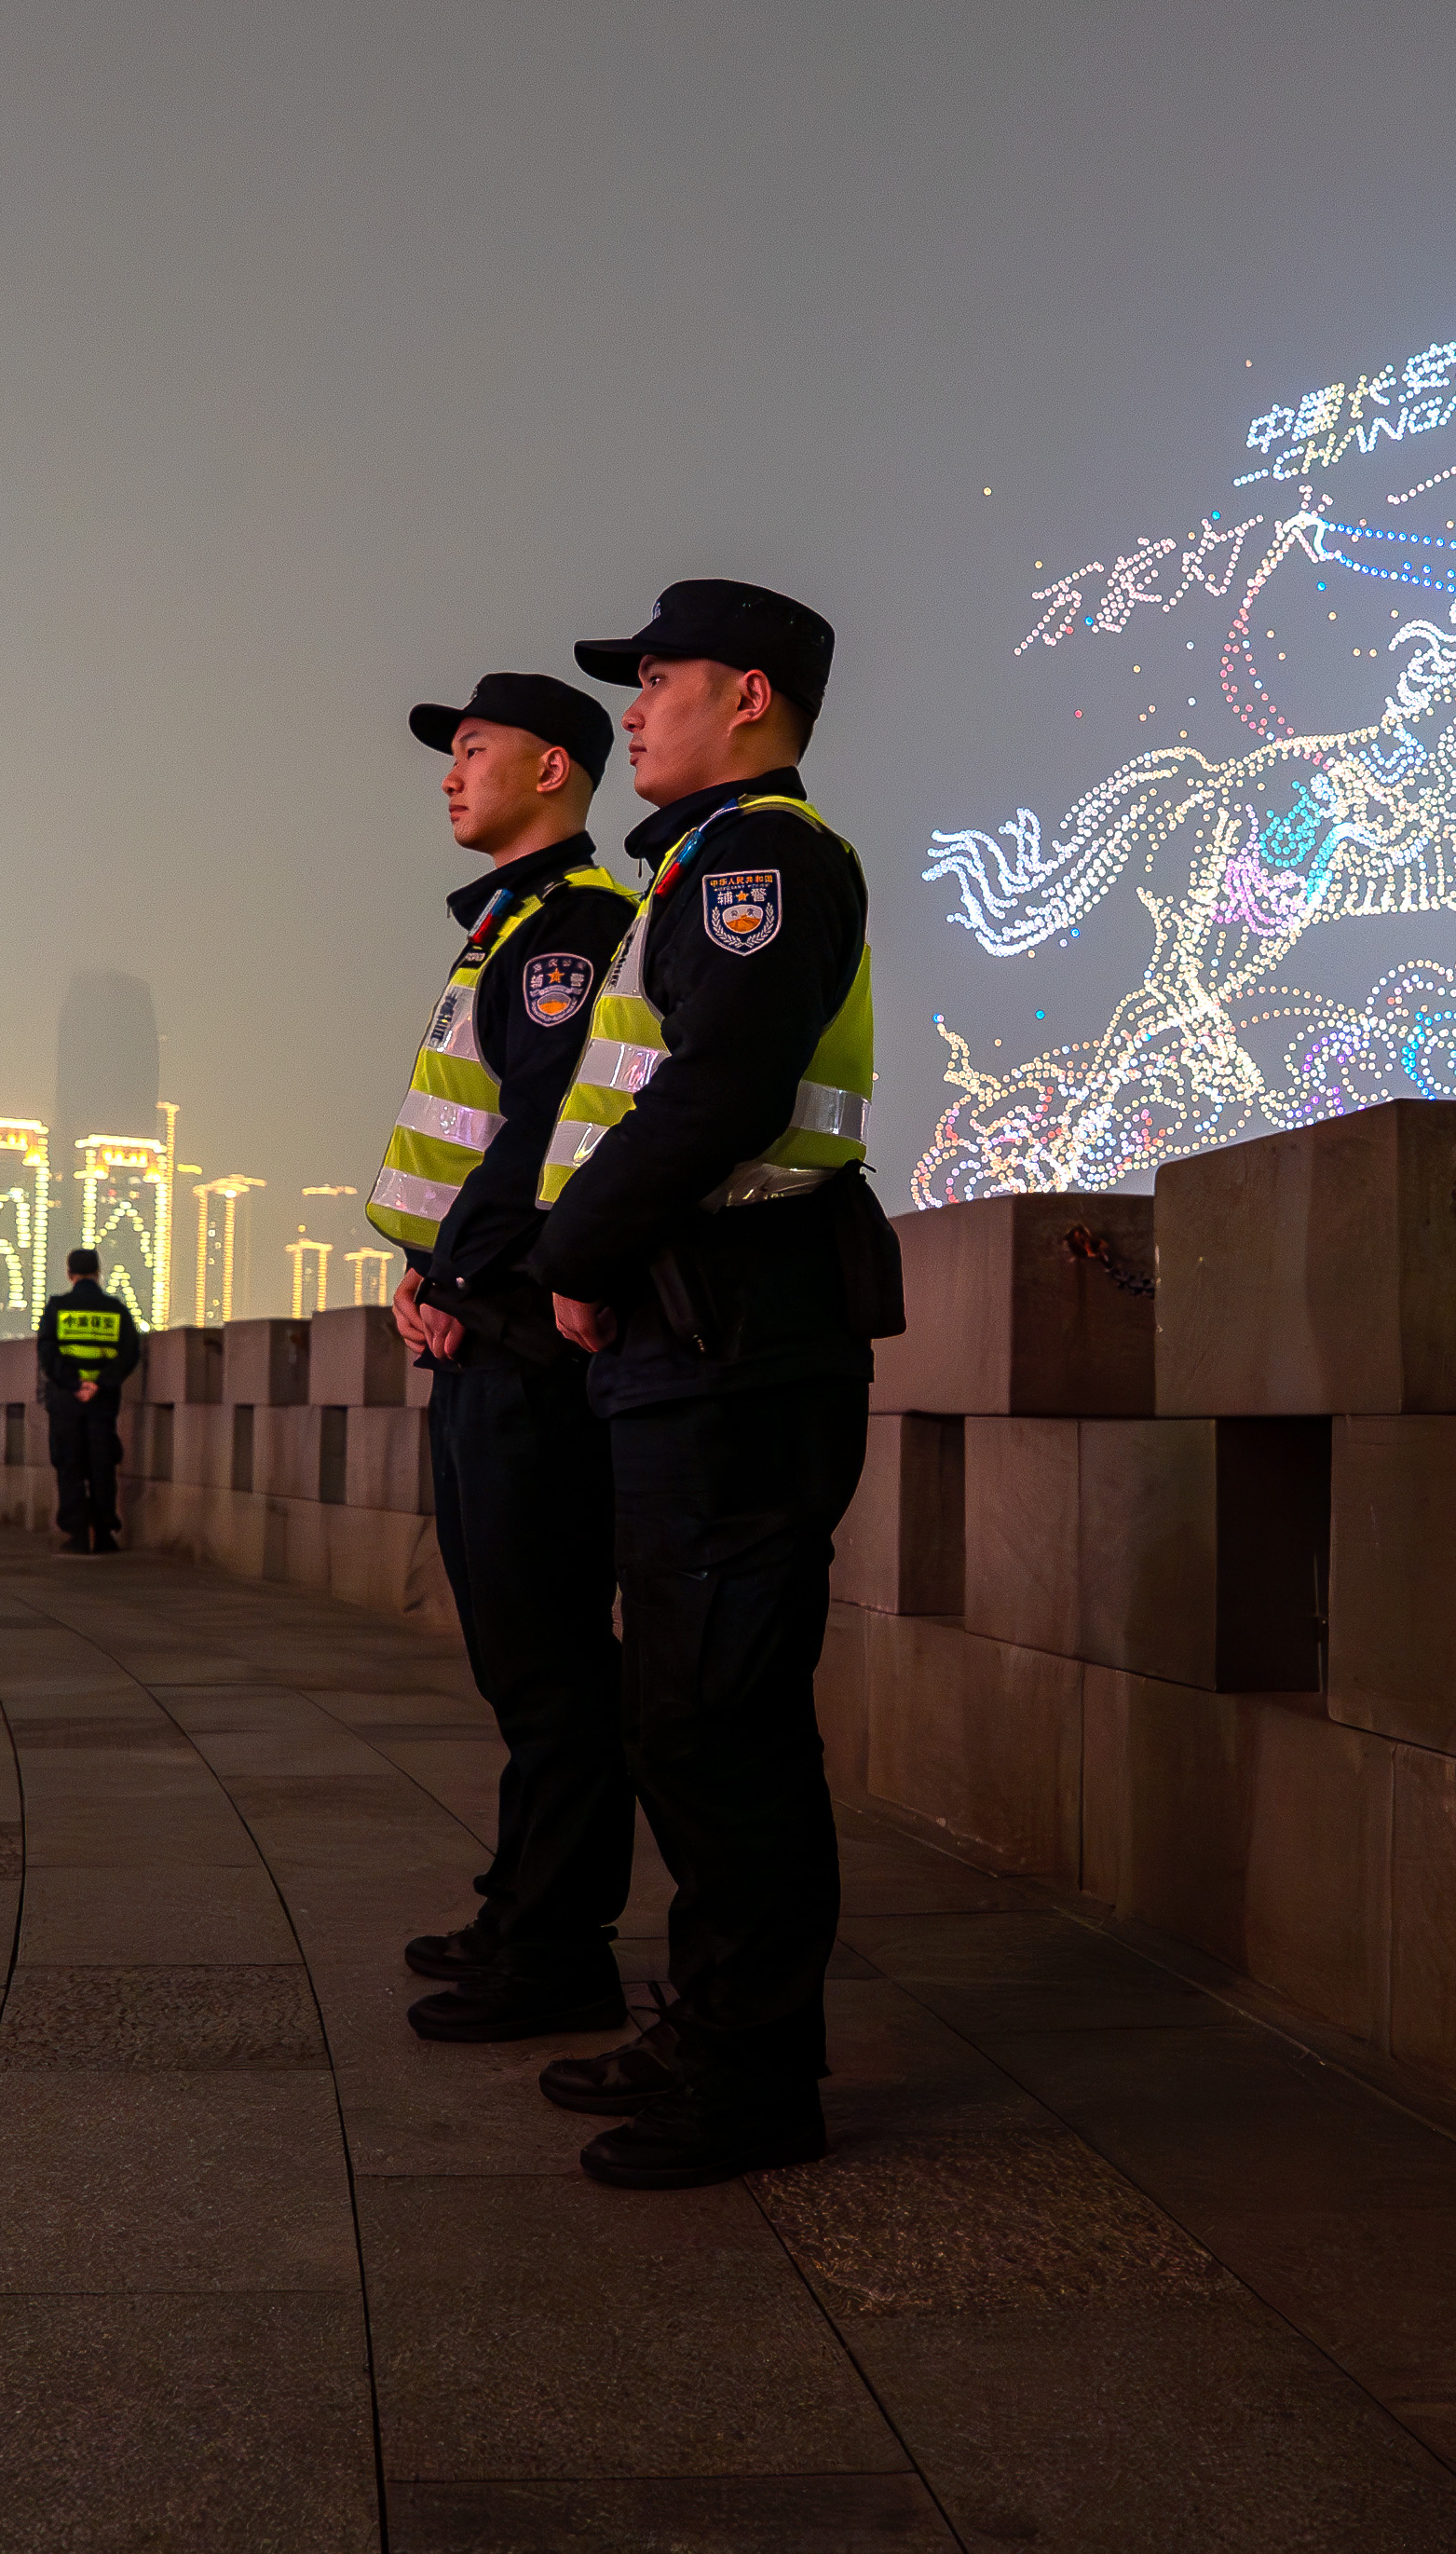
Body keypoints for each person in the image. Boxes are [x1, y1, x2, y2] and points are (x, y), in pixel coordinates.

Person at [521, 580, 891, 2190]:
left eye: (657, 677)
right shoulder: (702, 863)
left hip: (740, 1332)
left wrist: (571, 1251)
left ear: (747, 695)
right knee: (686, 1708)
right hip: (701, 1332)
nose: (634, 706)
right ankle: (711, 2027)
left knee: (719, 1714)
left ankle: (751, 2075)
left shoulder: (762, 861)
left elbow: (725, 1085)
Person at [367, 672, 639, 2043]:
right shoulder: (510, 927)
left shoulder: (572, 925)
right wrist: (426, 1265)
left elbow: (549, 1130)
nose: (449, 772)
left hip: (527, 1342)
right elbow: (476, 1136)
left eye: (474, 750)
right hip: (478, 1323)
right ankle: (521, 1904)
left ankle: (560, 1947)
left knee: (550, 1660)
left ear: (551, 772)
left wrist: (464, 1276)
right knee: (514, 1655)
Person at [34, 1248, 143, 1554]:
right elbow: (129, 1353)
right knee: (102, 1465)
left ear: (70, 1274)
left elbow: (47, 1353)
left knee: (69, 1463)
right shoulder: (115, 1310)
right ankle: (105, 1533)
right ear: (98, 1273)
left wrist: (73, 1383)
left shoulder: (58, 1308)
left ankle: (78, 1534)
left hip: (66, 1400)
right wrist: (99, 1383)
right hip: (102, 1401)